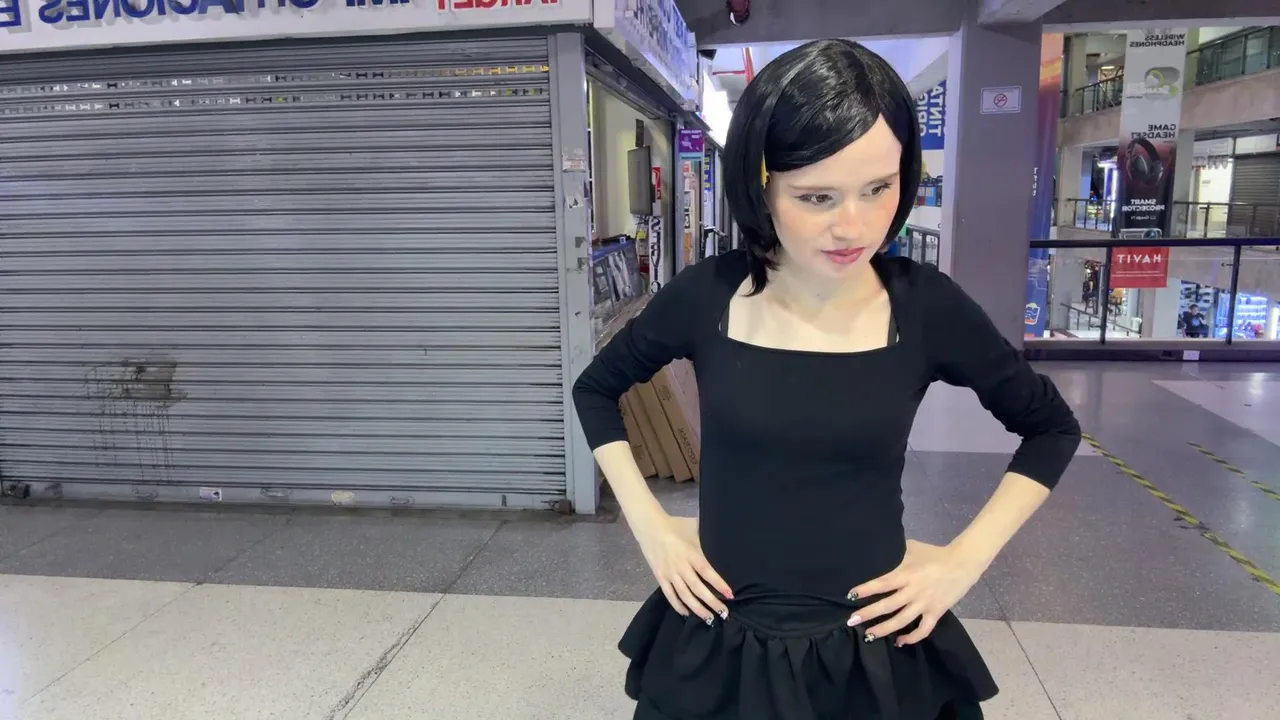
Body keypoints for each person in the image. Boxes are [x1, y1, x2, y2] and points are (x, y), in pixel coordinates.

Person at [572, 39, 1082, 720]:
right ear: (761, 185)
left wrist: (963, 561)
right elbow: (596, 388)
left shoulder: (923, 307)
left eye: (879, 188)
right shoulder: (707, 296)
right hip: (721, 645)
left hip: (872, 653)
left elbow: (1051, 427)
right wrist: (654, 528)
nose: (855, 226)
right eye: (816, 196)